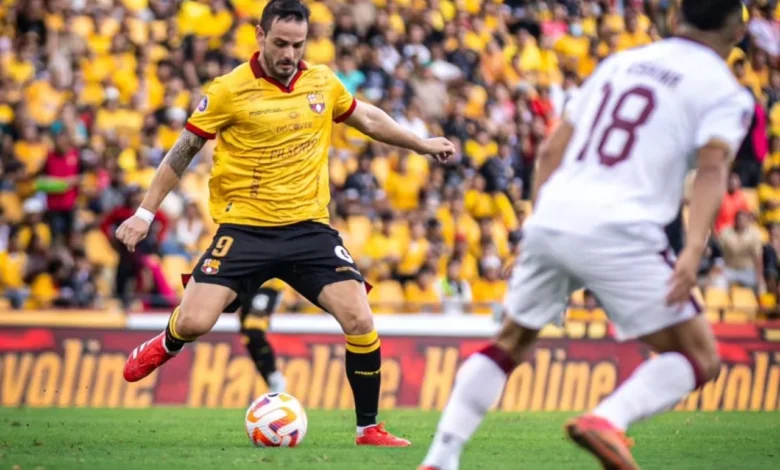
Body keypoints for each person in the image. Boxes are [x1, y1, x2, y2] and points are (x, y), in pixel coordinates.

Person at [419, 1, 753, 469]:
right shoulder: (724, 89)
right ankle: (607, 419)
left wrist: (535, 228)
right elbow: (713, 168)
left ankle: (440, 458)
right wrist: (694, 249)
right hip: (623, 227)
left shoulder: (621, 62)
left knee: (509, 343)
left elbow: (550, 150)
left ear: (676, 19)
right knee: (700, 357)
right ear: (738, 33)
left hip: (554, 213)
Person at [115, 0, 453, 447]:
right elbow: (183, 151)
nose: (289, 53)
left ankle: (368, 428)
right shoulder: (229, 89)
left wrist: (420, 143)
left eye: (298, 44)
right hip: (245, 230)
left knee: (359, 317)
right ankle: (169, 342)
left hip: (308, 229)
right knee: (195, 321)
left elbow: (368, 118)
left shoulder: (322, 82)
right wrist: (144, 213)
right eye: (280, 43)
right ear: (260, 36)